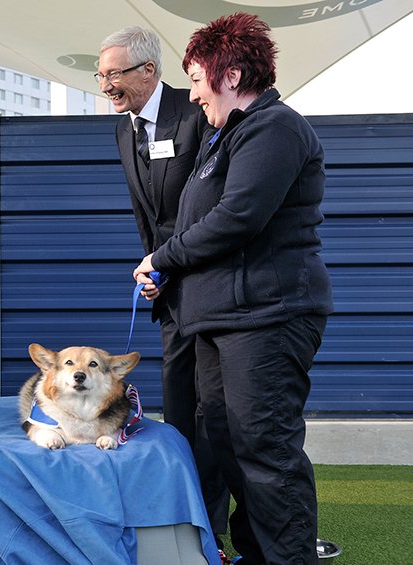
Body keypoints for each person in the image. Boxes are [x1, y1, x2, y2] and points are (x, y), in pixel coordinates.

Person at [133, 13, 332, 564]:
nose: (192, 94)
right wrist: (168, 274)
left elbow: (237, 217)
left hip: (266, 317)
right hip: (221, 319)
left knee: (264, 450)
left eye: (197, 79)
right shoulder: (227, 137)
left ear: (232, 73)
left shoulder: (274, 129)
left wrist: (162, 255)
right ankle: (254, 554)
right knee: (226, 443)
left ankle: (288, 558)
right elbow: (203, 223)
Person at [98, 25, 230, 552]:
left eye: (114, 74)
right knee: (178, 415)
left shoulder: (197, 114)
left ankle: (213, 533)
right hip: (173, 296)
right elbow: (150, 219)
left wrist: (168, 261)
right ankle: (182, 525)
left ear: (148, 72)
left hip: (214, 294)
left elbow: (209, 210)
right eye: (101, 74)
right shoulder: (124, 128)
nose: (105, 84)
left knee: (213, 417)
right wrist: (154, 270)